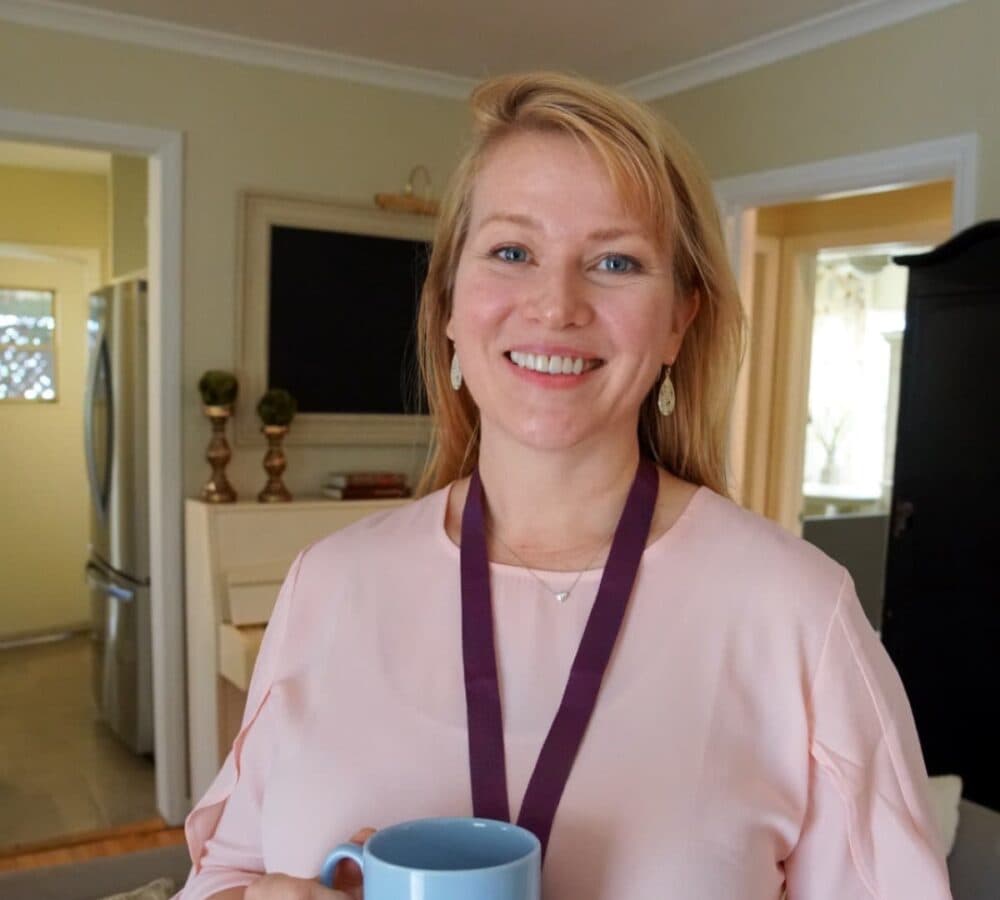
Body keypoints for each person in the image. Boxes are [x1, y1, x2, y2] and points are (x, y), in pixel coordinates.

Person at [177, 72, 952, 899]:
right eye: (512, 252)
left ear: (680, 318)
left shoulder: (798, 614)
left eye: (616, 261)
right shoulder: (326, 585)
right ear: (447, 301)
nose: (555, 304)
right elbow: (224, 872)